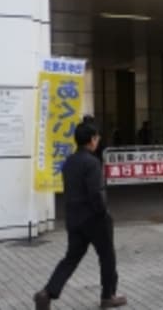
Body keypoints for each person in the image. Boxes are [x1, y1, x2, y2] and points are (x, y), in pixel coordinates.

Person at [33, 121, 127, 310]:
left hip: (74, 218)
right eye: (97, 137)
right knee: (107, 256)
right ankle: (108, 296)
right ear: (92, 140)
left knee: (71, 258)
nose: (98, 140)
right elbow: (96, 194)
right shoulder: (92, 162)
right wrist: (104, 213)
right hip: (94, 219)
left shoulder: (69, 162)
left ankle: (47, 293)